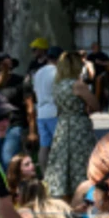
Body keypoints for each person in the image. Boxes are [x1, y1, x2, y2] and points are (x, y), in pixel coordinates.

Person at [43, 50, 95, 201]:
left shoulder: (57, 85)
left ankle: (64, 198)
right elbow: (96, 105)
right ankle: (80, 198)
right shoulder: (78, 85)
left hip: (63, 124)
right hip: (79, 125)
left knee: (64, 161)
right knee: (80, 161)